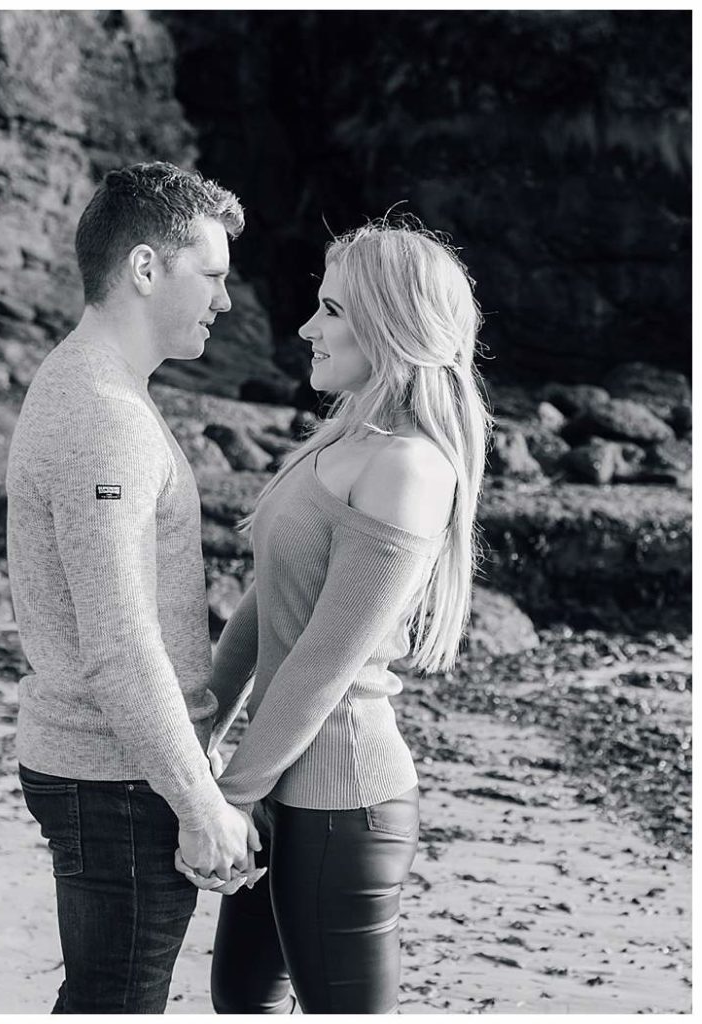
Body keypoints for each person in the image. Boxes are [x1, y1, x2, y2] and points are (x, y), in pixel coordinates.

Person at [203, 219, 492, 1014]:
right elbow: (259, 619)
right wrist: (201, 744)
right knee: (241, 1002)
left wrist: (230, 795)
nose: (306, 328)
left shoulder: (408, 468)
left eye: (330, 309)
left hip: (342, 803)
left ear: (391, 322)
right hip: (275, 783)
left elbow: (324, 662)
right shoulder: (336, 443)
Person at [6, 161, 262, 1014]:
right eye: (214, 275)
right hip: (115, 781)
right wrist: (197, 801)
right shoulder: (103, 418)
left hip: (108, 769)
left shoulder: (95, 389)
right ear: (146, 268)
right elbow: (119, 642)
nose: (226, 303)